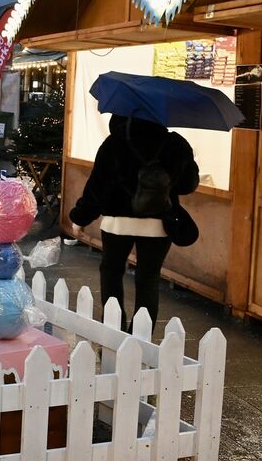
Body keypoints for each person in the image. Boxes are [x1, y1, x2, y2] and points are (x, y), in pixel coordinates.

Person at [67, 115, 200, 332]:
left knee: (111, 272)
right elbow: (188, 185)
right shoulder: (175, 144)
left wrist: (79, 218)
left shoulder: (114, 143)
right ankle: (140, 338)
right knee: (148, 278)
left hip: (116, 223)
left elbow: (97, 187)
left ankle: (112, 330)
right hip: (158, 224)